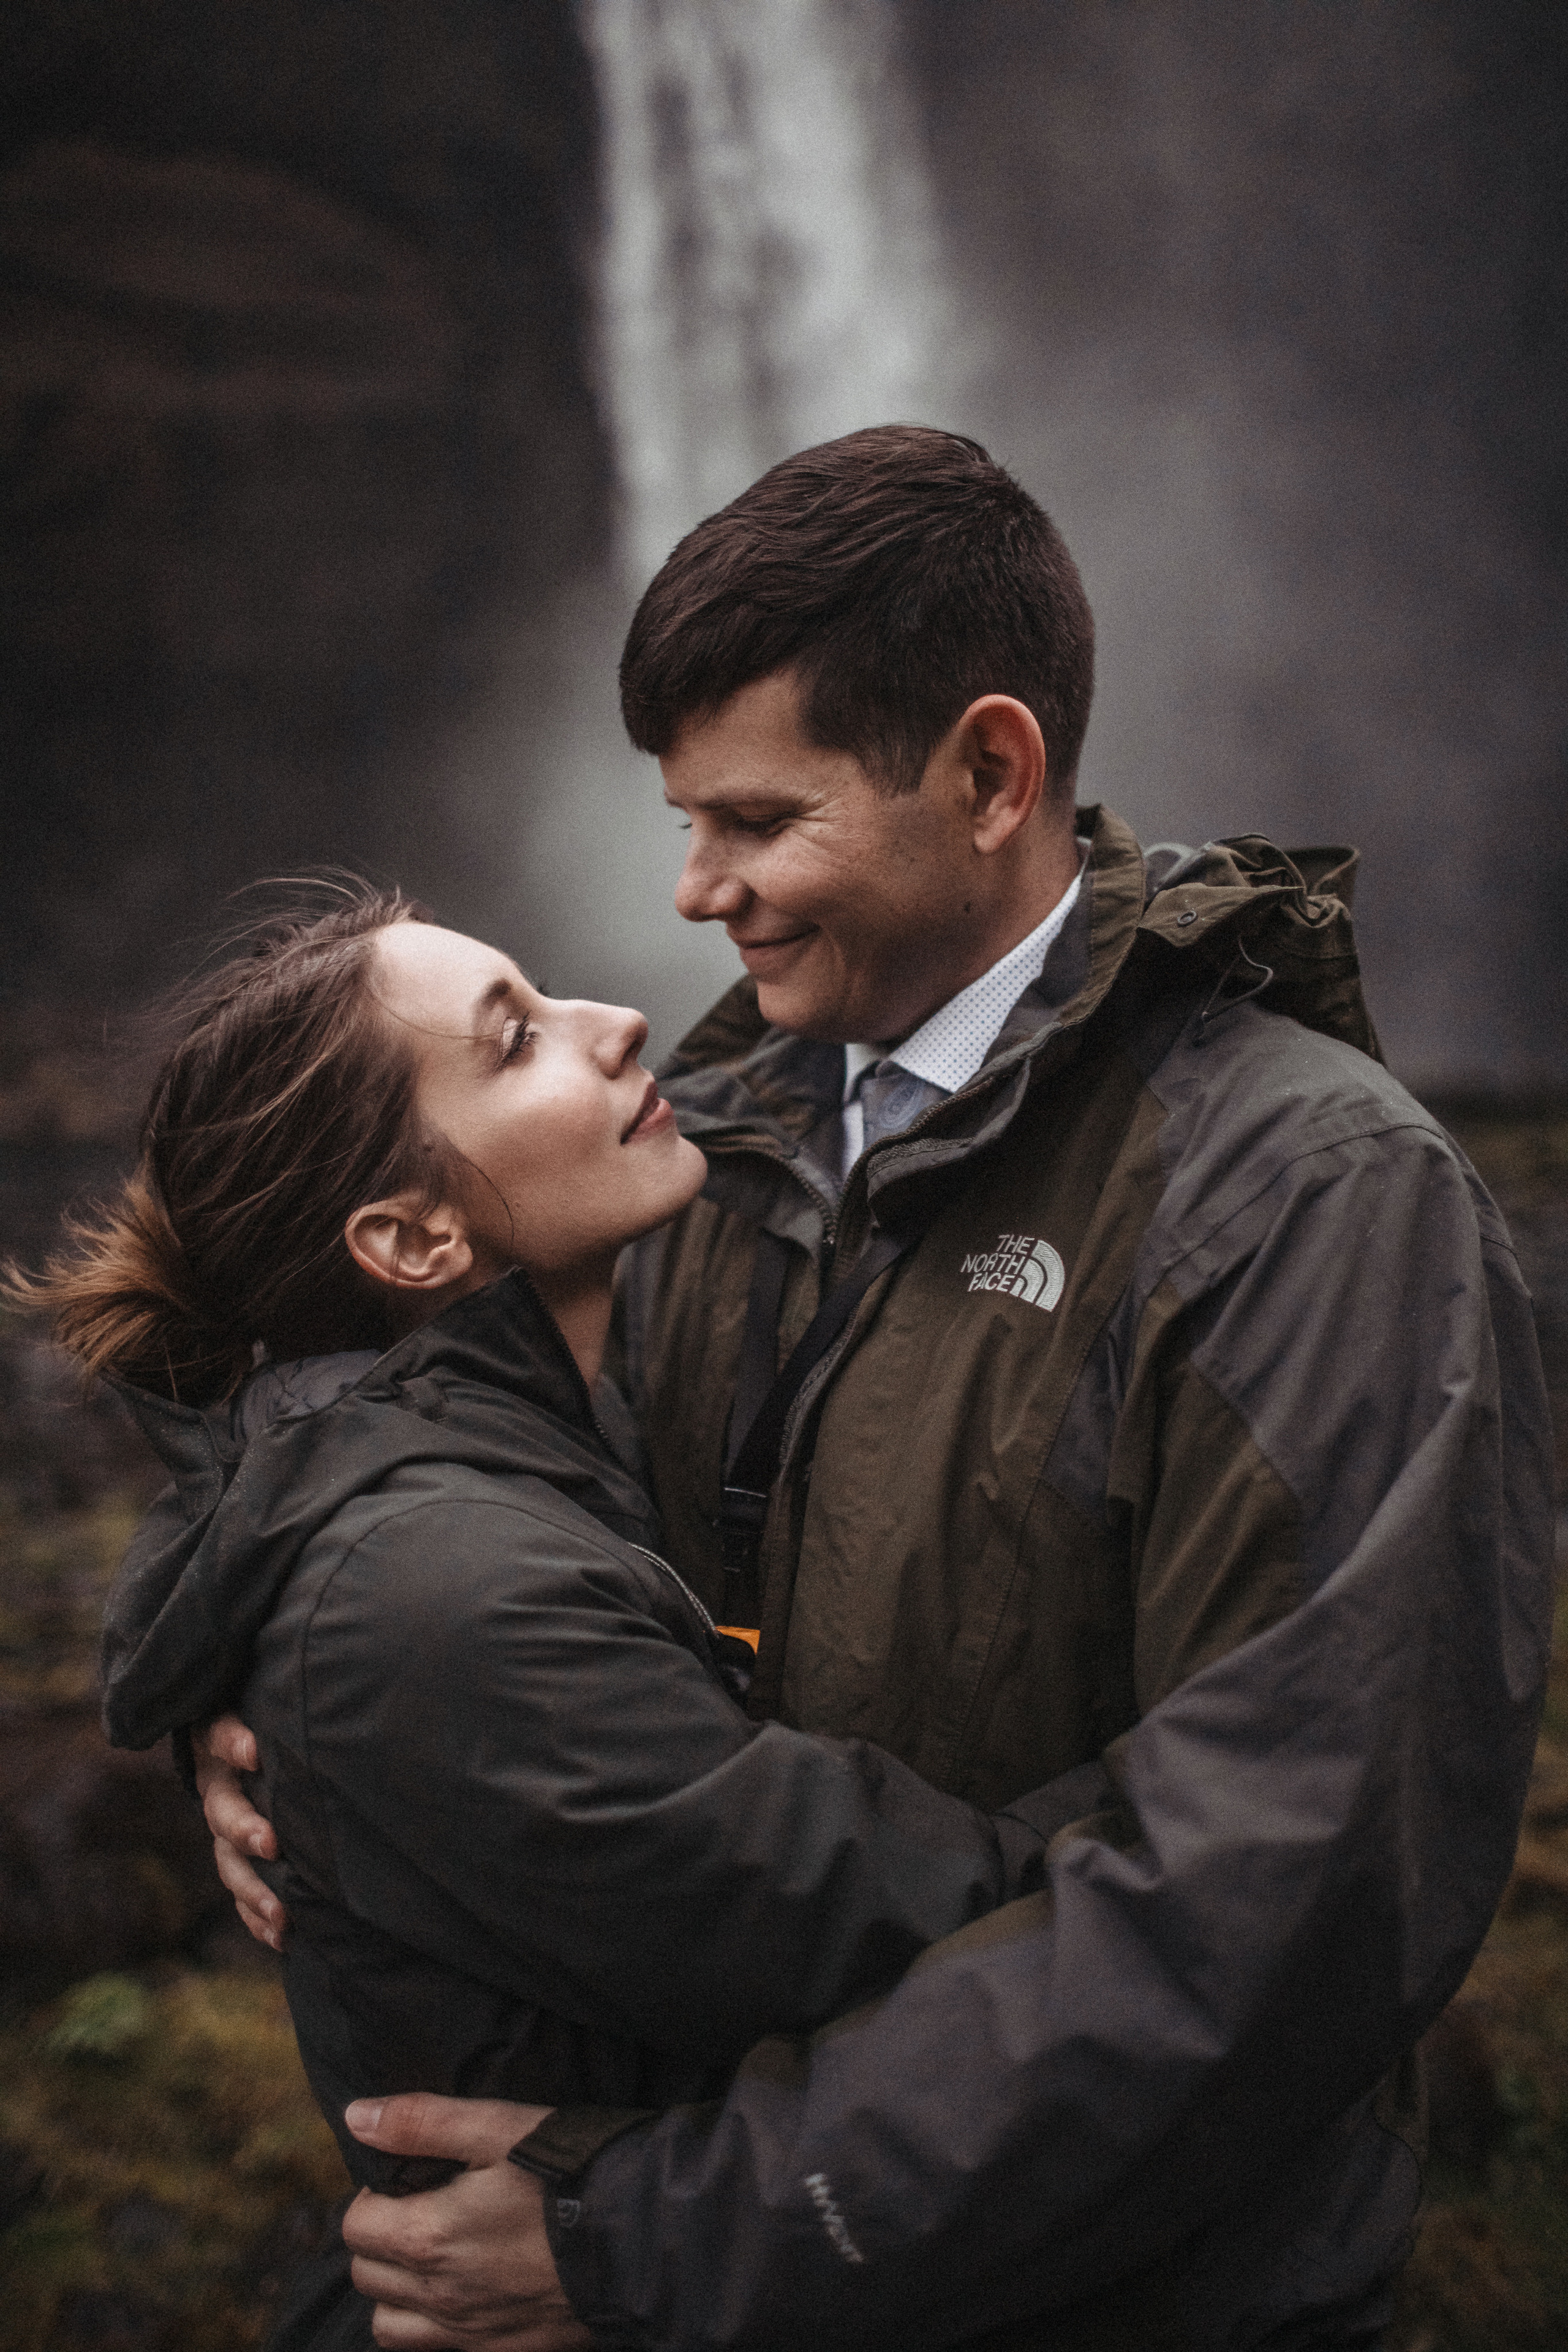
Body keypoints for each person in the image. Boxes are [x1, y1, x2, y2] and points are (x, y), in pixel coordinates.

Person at [201, 428, 1555, 2352]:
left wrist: (670, 2234)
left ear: (991, 773)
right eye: (686, 821)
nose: (692, 893)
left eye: (755, 822)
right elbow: (394, 1412)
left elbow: (1289, 1914)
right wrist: (270, 1702)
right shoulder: (718, 1134)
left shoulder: (1315, 1202)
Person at [14, 883, 1107, 2352]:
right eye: (515, 1037)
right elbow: (910, 1930)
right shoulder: (436, 1600)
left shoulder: (493, 1466)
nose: (620, 1020)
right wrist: (1251, 1783)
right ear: (408, 1244)